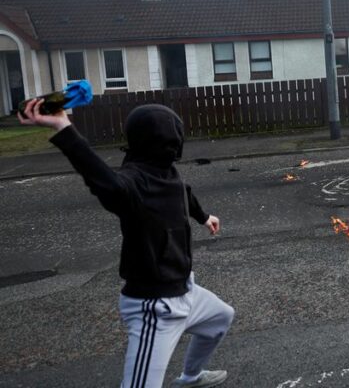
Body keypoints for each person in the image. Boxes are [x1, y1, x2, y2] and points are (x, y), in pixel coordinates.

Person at [18, 101, 234, 388]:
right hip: (155, 308)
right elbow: (106, 183)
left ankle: (191, 377)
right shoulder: (132, 184)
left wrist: (204, 216)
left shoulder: (166, 171)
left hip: (187, 291)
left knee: (221, 318)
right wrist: (63, 127)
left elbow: (183, 192)